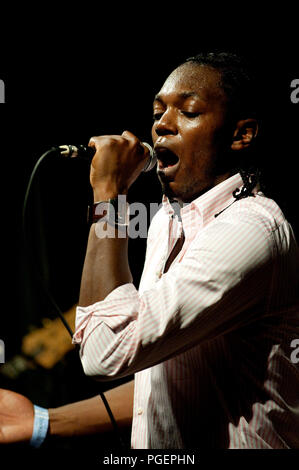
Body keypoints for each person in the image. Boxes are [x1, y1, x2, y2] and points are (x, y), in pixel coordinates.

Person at [1, 51, 298, 449]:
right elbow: (162, 376)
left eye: (188, 111)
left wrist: (111, 195)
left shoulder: (250, 230)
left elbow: (105, 352)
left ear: (241, 134)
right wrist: (43, 422)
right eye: (157, 111)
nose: (162, 124)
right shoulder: (166, 220)